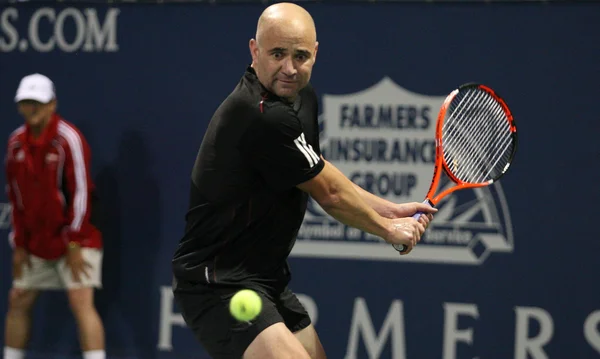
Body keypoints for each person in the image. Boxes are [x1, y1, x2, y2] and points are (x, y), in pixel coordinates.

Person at [171, 3, 437, 359]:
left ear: (315, 53)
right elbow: (330, 195)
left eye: (300, 56)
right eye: (277, 54)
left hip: (265, 278)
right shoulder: (260, 114)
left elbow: (319, 171)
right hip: (217, 282)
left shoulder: (301, 99)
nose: (289, 68)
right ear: (254, 51)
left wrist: (389, 209)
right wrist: (388, 230)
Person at [3, 73, 106, 359]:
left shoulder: (68, 139)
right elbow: (15, 196)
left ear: (52, 105)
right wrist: (20, 243)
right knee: (19, 299)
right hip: (36, 239)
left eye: (37, 102)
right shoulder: (15, 144)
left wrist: (73, 243)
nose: (31, 109)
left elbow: (82, 194)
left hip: (78, 236)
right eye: (26, 103)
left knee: (80, 299)